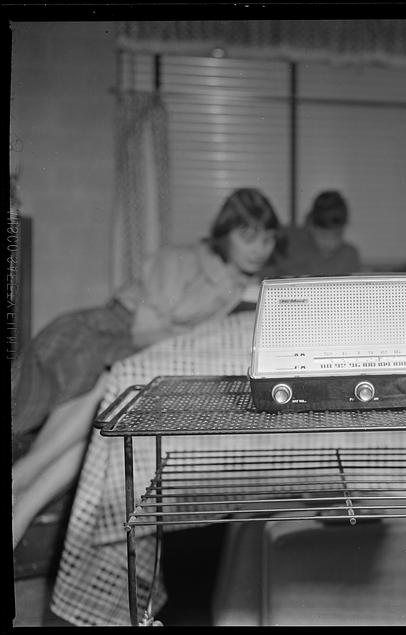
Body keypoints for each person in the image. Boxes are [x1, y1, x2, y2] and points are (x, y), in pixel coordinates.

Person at [11, 187, 284, 548]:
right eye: (248, 236)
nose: (259, 248)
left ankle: (19, 507)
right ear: (224, 233)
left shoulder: (237, 284)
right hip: (92, 335)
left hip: (125, 350)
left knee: (108, 418)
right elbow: (145, 327)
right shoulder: (184, 259)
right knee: (102, 396)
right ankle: (18, 484)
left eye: (267, 239)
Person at [276, 190, 361, 277]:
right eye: (323, 236)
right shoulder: (289, 242)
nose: (330, 243)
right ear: (311, 226)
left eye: (337, 235)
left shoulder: (349, 255)